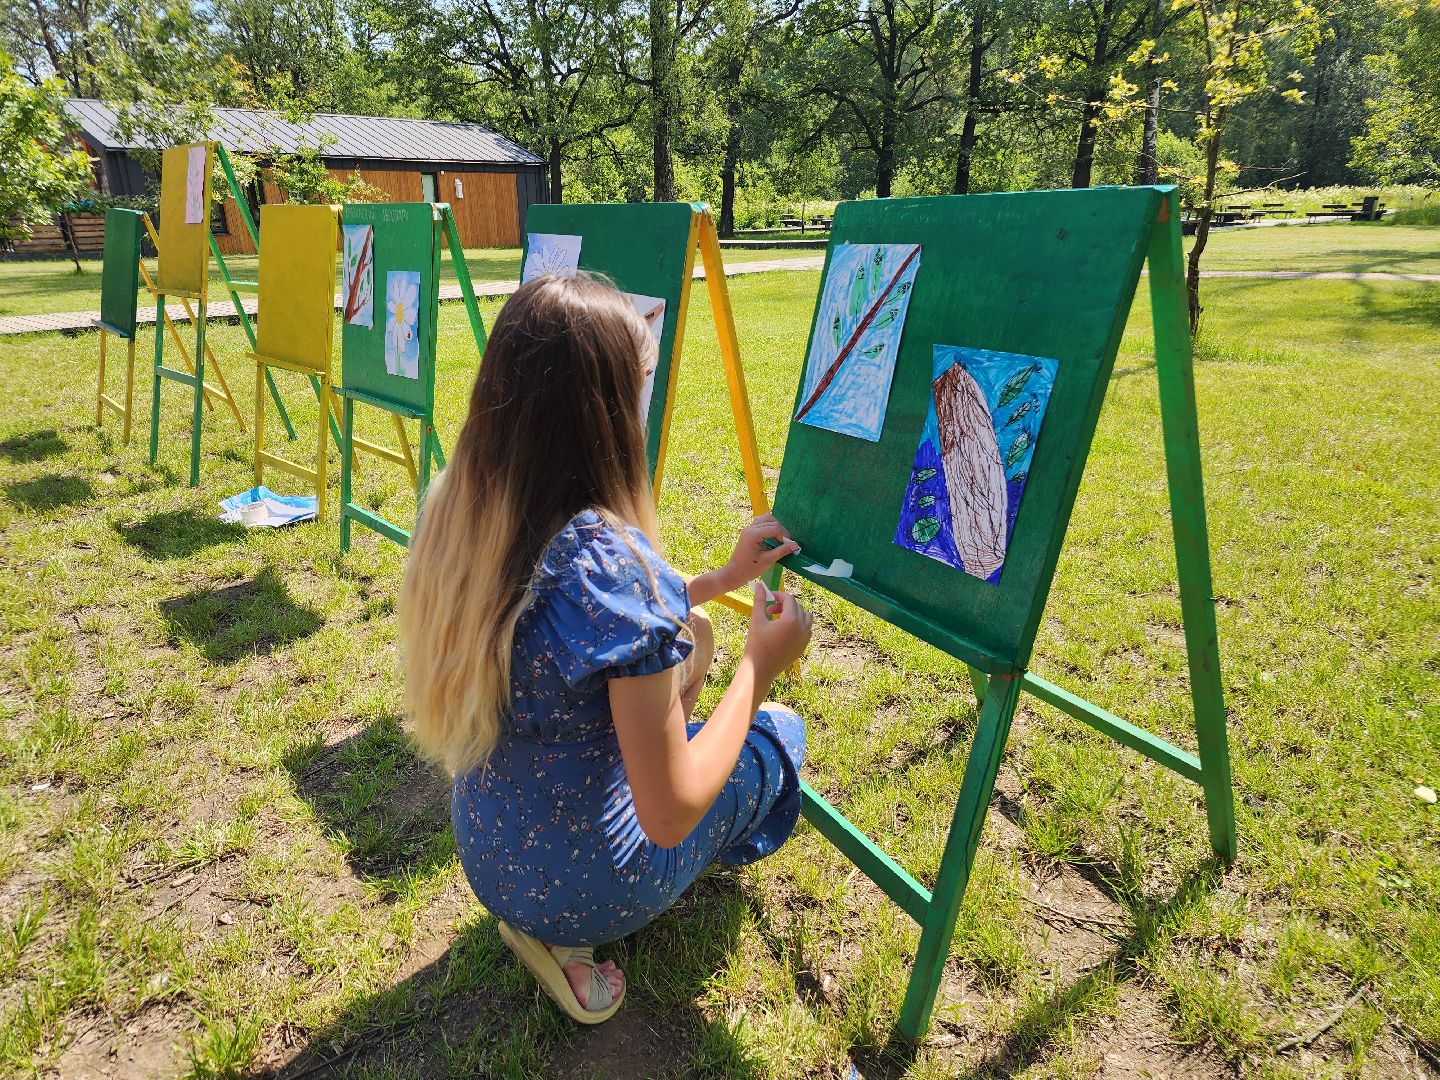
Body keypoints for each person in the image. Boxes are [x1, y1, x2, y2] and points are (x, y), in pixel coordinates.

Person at [397, 273, 813, 1024]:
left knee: (693, 640)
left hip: (490, 854)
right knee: (780, 734)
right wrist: (760, 666)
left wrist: (719, 578)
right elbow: (671, 811)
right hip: (593, 886)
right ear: (606, 411)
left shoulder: (464, 508)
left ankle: (547, 927)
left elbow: (578, 624)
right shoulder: (610, 564)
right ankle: (573, 939)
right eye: (640, 386)